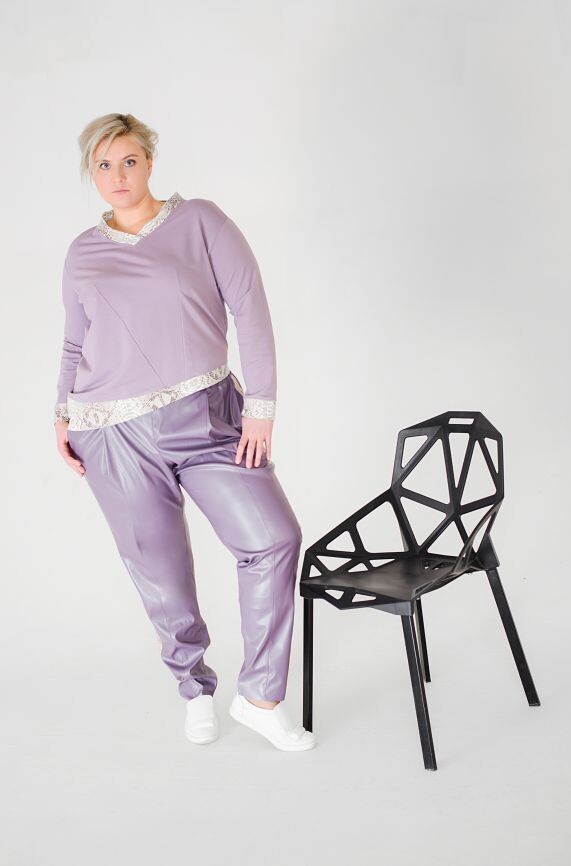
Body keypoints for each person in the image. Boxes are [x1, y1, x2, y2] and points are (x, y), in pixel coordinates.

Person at [54, 112, 316, 752]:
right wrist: (61, 413)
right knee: (160, 571)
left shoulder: (200, 220)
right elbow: (74, 340)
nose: (117, 175)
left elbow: (250, 307)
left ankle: (260, 698)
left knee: (273, 539)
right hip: (111, 433)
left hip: (208, 415)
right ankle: (194, 689)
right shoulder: (82, 252)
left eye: (128, 160)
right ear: (92, 174)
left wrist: (262, 406)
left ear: (149, 161)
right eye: (103, 165)